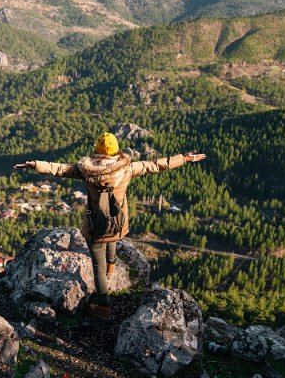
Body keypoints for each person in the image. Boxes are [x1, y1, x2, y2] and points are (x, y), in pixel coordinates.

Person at [14, 132, 206, 320]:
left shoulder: (86, 170)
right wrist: (184, 158)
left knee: (98, 266)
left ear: (97, 151)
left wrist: (35, 165)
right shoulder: (128, 168)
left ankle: (103, 305)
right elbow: (156, 165)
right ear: (115, 151)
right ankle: (112, 263)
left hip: (95, 226)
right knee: (112, 237)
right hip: (117, 223)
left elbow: (60, 169)